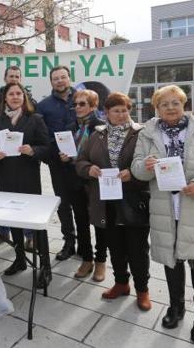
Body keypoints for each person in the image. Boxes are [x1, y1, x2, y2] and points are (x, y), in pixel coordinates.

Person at [131, 85, 194, 343]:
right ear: (157, 107)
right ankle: (176, 307)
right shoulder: (148, 133)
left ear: (184, 104)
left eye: (175, 102)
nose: (170, 107)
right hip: (164, 209)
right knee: (171, 260)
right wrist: (147, 166)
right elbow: (136, 169)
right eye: (164, 104)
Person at [76, 92, 151, 312]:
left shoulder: (141, 134)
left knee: (137, 250)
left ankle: (143, 290)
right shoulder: (97, 136)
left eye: (124, 109)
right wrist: (88, 169)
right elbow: (80, 161)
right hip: (105, 202)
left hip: (134, 200)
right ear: (106, 113)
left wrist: (134, 174)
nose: (121, 114)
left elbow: (150, 163)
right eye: (116, 110)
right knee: (115, 248)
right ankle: (121, 283)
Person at [0, 82, 52, 288]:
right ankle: (19, 259)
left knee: (36, 223)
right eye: (11, 94)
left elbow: (47, 147)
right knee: (13, 219)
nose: (15, 97)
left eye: (19, 93)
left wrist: (33, 151)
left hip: (28, 178)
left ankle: (45, 266)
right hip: (6, 178)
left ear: (24, 97)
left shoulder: (35, 120)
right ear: (5, 98)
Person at [36, 65, 83, 261]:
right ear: (51, 82)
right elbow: (41, 135)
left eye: (63, 77)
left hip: (81, 164)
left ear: (69, 78)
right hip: (58, 164)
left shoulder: (82, 99)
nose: (60, 81)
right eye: (56, 78)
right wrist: (51, 157)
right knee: (63, 205)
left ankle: (85, 244)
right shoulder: (44, 105)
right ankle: (69, 242)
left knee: (82, 205)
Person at [61, 90, 107, 281]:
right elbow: (69, 151)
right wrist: (64, 156)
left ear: (93, 106)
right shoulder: (71, 126)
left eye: (83, 104)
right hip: (75, 180)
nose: (78, 108)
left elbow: (105, 156)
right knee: (80, 221)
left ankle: (101, 262)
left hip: (95, 182)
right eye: (76, 104)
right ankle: (86, 259)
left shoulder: (102, 127)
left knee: (99, 222)